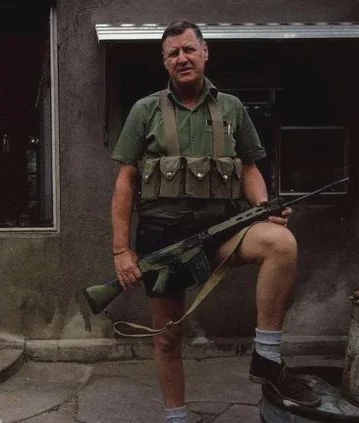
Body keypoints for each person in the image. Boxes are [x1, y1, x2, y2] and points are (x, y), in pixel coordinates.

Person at [110, 21, 320, 423]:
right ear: (165, 62)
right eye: (173, 53)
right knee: (168, 339)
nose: (182, 58)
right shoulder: (145, 110)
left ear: (205, 53)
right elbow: (125, 182)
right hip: (164, 242)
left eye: (189, 49)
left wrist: (263, 207)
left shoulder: (232, 108)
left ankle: (267, 358)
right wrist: (122, 250)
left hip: (221, 233)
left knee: (281, 242)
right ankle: (177, 418)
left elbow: (249, 167)